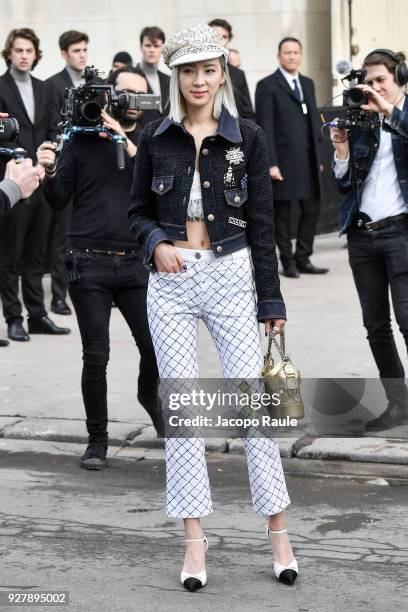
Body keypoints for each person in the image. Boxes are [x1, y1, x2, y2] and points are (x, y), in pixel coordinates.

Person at [128, 23, 298, 591]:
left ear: (221, 73)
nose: (198, 80)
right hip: (172, 284)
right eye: (188, 71)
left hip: (232, 274)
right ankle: (195, 542)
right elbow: (136, 214)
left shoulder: (247, 136)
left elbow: (264, 225)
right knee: (184, 416)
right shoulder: (155, 137)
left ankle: (278, 532)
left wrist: (270, 298)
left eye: (208, 69)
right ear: (174, 75)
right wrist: (157, 244)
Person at [37, 66, 162, 470]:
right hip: (87, 261)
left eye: (139, 95)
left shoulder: (151, 139)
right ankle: (97, 441)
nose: (131, 101)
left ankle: (149, 396)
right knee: (96, 356)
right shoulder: (81, 138)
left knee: (155, 348)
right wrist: (50, 168)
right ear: (108, 95)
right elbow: (58, 200)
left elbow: (160, 183)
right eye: (124, 93)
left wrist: (122, 138)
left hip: (138, 263)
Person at [331, 49, 408, 432]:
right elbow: (345, 185)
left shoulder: (401, 116)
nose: (374, 88)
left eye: (382, 80)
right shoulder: (360, 120)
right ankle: (398, 403)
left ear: (399, 79)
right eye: (370, 81)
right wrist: (342, 149)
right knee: (376, 325)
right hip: (363, 234)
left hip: (401, 233)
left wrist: (389, 113)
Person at [0, 28, 70, 341]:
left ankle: (37, 316)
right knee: (9, 255)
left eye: (29, 50)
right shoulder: (0, 87)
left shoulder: (45, 89)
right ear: (9, 53)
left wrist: (48, 158)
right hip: (12, 180)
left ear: (36, 54)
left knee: (36, 254)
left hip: (41, 179)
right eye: (19, 50)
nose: (24, 55)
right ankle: (14, 318)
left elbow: (56, 128)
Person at [256, 37, 328, 278]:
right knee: (283, 216)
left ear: (300, 55)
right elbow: (265, 126)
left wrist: (318, 157)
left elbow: (312, 120)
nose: (292, 56)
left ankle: (304, 257)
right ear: (279, 56)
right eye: (287, 52)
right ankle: (287, 261)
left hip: (307, 161)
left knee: (311, 210)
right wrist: (271, 163)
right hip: (283, 163)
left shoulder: (307, 83)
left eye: (296, 52)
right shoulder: (267, 86)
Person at [46, 30, 90, 316]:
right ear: (64, 54)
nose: (82, 55)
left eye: (85, 49)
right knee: (62, 234)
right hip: (64, 164)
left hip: (89, 168)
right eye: (76, 51)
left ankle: (86, 286)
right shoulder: (53, 85)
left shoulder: (94, 84)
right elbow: (52, 125)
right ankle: (60, 295)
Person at [208, 18, 254, 120]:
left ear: (229, 40)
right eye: (216, 35)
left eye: (224, 37)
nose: (220, 40)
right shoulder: (194, 70)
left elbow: (247, 112)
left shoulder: (238, 74)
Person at [136, 26, 170, 116]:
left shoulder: (169, 80)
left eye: (156, 46)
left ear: (162, 48)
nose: (152, 50)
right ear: (141, 47)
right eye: (148, 45)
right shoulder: (131, 77)